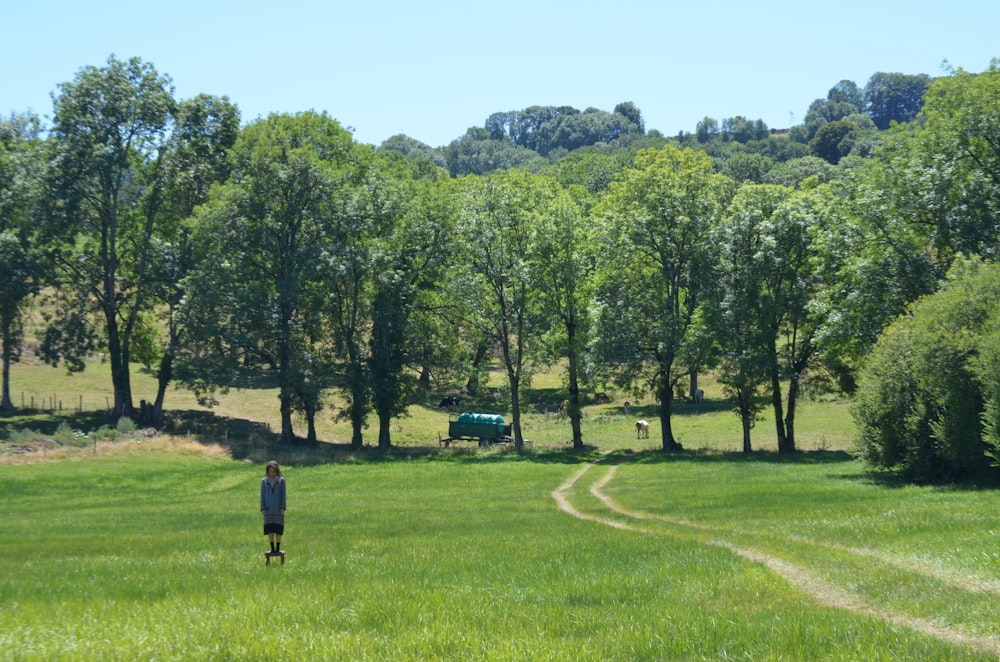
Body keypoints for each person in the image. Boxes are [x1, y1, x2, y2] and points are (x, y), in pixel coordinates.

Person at [260, 460, 286, 553]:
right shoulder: (264, 481)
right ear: (267, 471)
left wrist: (283, 507)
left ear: (277, 471)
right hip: (268, 509)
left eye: (274, 471)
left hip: (278, 509)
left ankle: (278, 547)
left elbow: (283, 495)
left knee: (278, 528)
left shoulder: (281, 481)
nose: (272, 473)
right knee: (270, 529)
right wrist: (262, 508)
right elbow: (262, 496)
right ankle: (272, 548)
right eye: (270, 471)